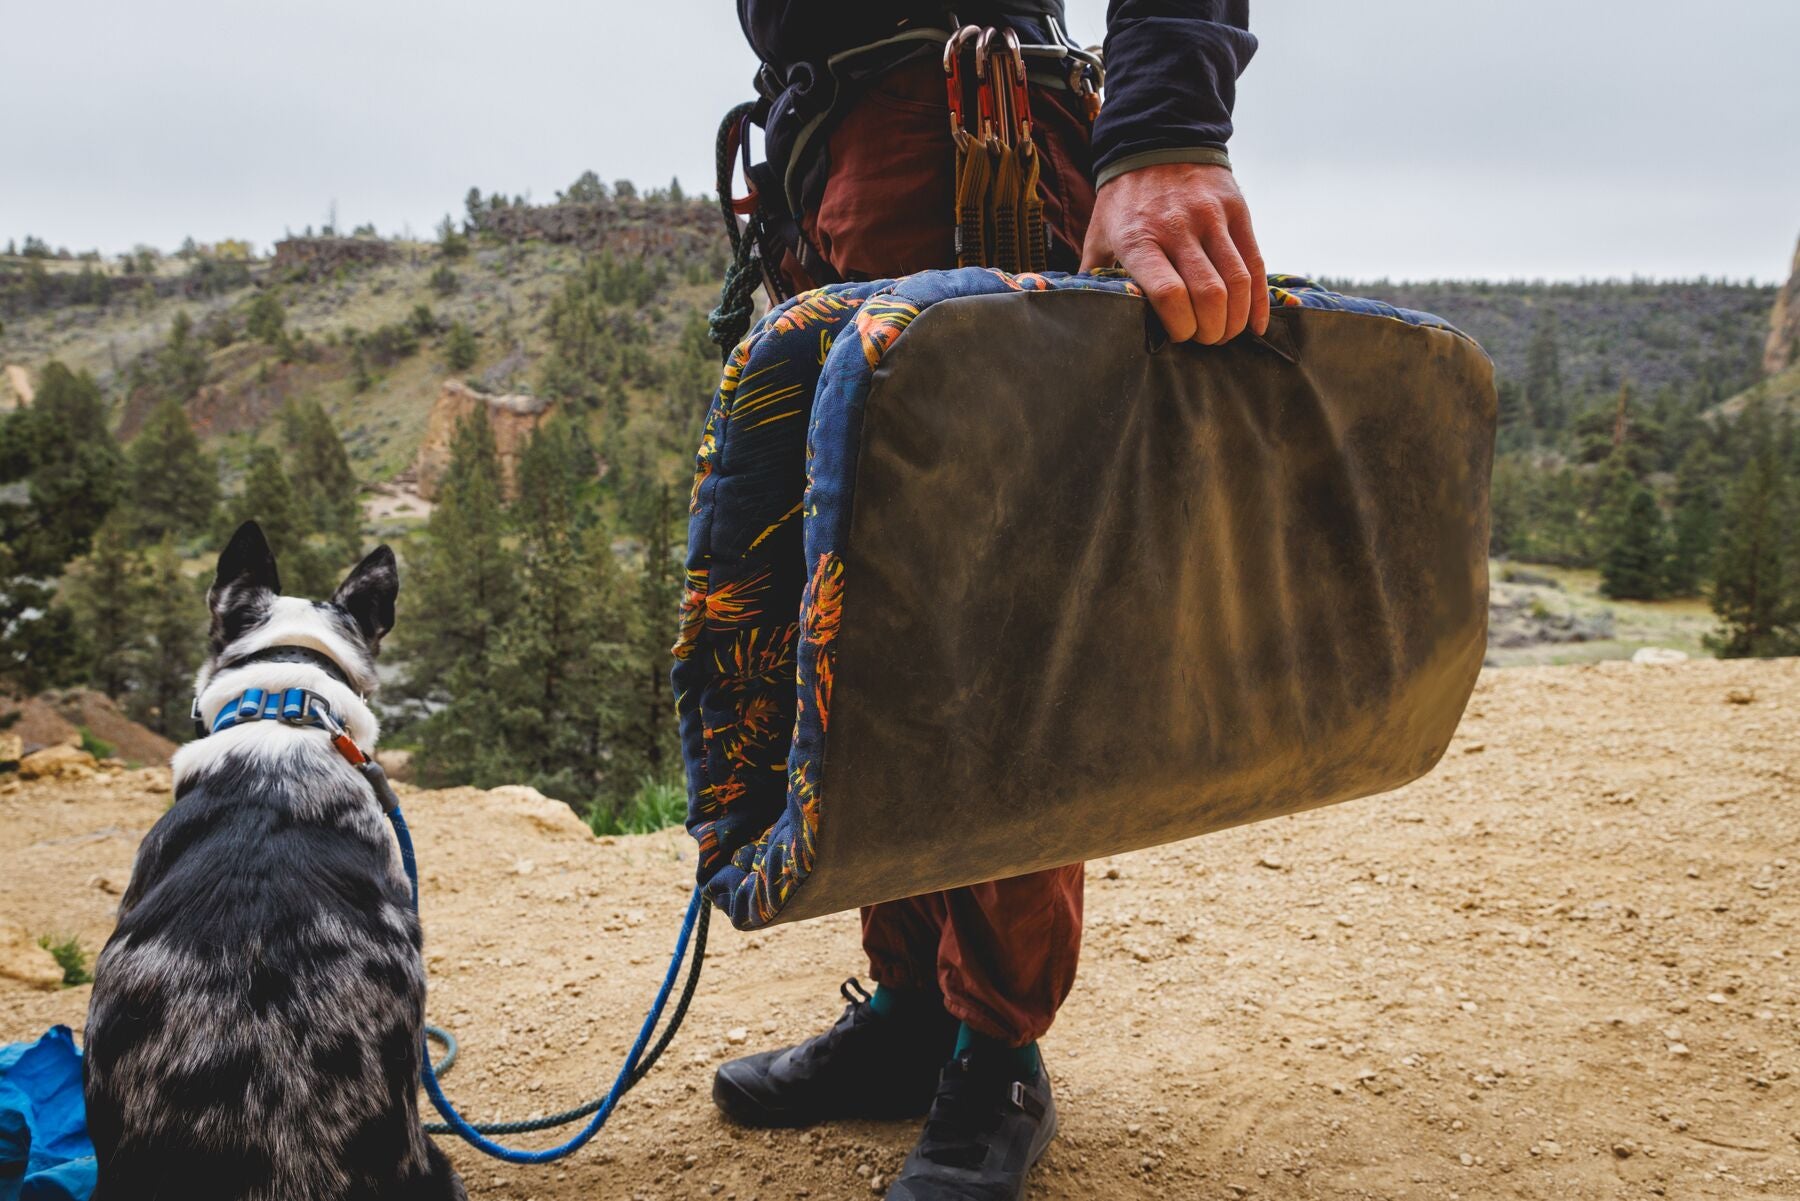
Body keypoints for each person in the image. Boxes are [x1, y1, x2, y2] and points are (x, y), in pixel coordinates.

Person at [713, 4, 1264, 1198]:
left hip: (967, 124)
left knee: (999, 617)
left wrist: (1166, 124)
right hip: (841, 141)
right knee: (866, 619)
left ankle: (997, 1051)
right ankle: (916, 1009)